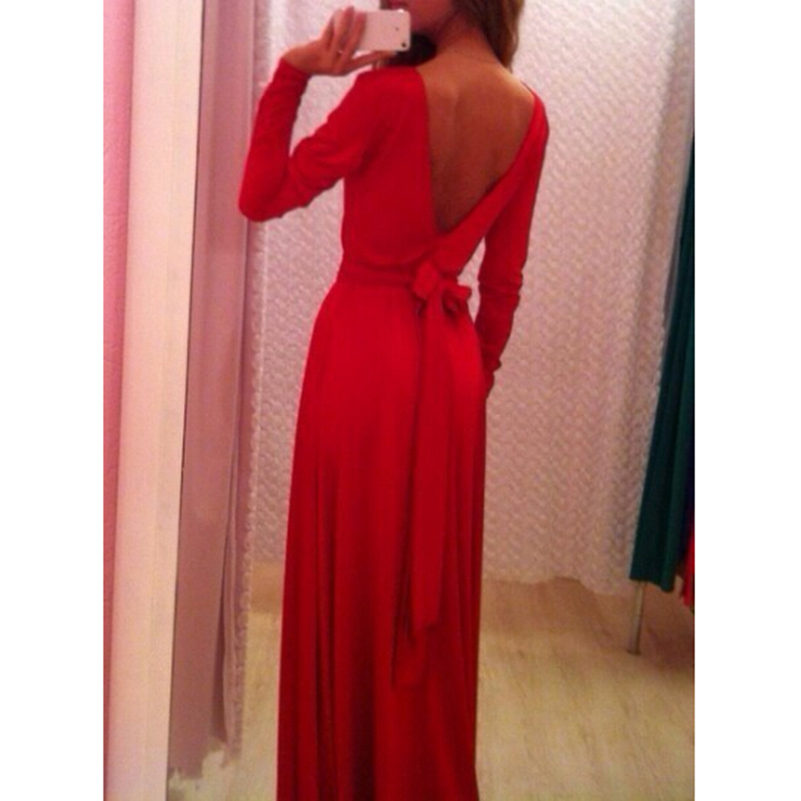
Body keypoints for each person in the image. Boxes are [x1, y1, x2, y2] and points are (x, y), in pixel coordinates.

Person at [239, 1, 548, 797]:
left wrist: (294, 72)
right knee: (424, 600)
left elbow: (261, 194)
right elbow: (503, 283)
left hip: (361, 360)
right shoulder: (528, 114)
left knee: (351, 578)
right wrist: (462, 384)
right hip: (448, 370)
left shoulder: (385, 98)